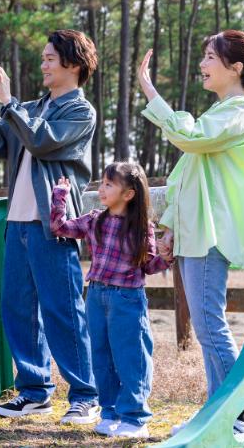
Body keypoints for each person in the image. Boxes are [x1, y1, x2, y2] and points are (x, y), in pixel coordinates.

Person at [137, 29, 244, 436]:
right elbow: (186, 176)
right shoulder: (221, 112)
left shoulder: (239, 111)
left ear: (234, 68)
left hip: (211, 232)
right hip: (195, 232)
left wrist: (150, 91)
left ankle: (240, 414)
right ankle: (219, 413)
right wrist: (169, 227)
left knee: (208, 325)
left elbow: (189, 138)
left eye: (209, 58)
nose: (202, 65)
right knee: (206, 325)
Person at [0, 30, 101, 425]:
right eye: (43, 58)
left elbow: (41, 141)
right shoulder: (29, 109)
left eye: (49, 59)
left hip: (53, 226)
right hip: (17, 224)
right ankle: (34, 392)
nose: (42, 65)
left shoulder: (80, 112)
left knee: (63, 311)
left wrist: (9, 103)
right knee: (19, 310)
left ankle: (86, 396)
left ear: (73, 64)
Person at [50, 164, 167, 439]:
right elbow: (60, 227)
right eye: (102, 183)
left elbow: (149, 266)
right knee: (101, 357)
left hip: (127, 299)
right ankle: (110, 413)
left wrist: (166, 257)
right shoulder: (94, 220)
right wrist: (60, 196)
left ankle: (135, 418)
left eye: (108, 184)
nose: (101, 189)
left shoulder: (142, 228)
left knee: (131, 357)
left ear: (128, 194)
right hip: (96, 296)